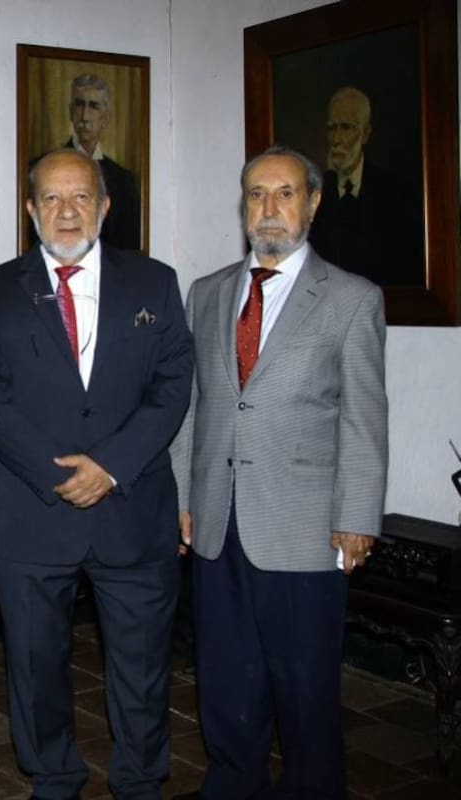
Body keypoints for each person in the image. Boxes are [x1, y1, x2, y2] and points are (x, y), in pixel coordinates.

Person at [0, 148, 193, 800]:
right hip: (35, 515)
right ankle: (54, 778)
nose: (68, 213)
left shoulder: (155, 284)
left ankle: (141, 781)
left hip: (134, 512)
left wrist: (112, 466)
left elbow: (173, 386)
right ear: (32, 209)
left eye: (82, 198)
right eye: (53, 200)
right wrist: (54, 473)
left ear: (106, 206)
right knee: (35, 668)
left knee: (143, 668)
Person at [170, 145, 388, 800]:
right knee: (227, 681)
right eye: (257, 194)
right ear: (243, 205)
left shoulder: (352, 299)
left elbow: (365, 417)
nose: (270, 207)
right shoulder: (206, 294)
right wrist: (179, 496)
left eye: (285, 193)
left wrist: (357, 518)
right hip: (214, 523)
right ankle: (233, 786)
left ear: (313, 203)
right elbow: (191, 407)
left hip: (304, 530)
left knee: (304, 690)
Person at [308, 86, 422, 285]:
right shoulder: (315, 194)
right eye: (331, 128)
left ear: (366, 134)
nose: (336, 139)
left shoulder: (397, 194)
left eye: (346, 127)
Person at [63, 73, 140, 250]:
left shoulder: (124, 180)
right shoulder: (43, 169)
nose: (84, 116)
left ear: (105, 118)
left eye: (94, 107)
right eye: (79, 105)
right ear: (70, 112)